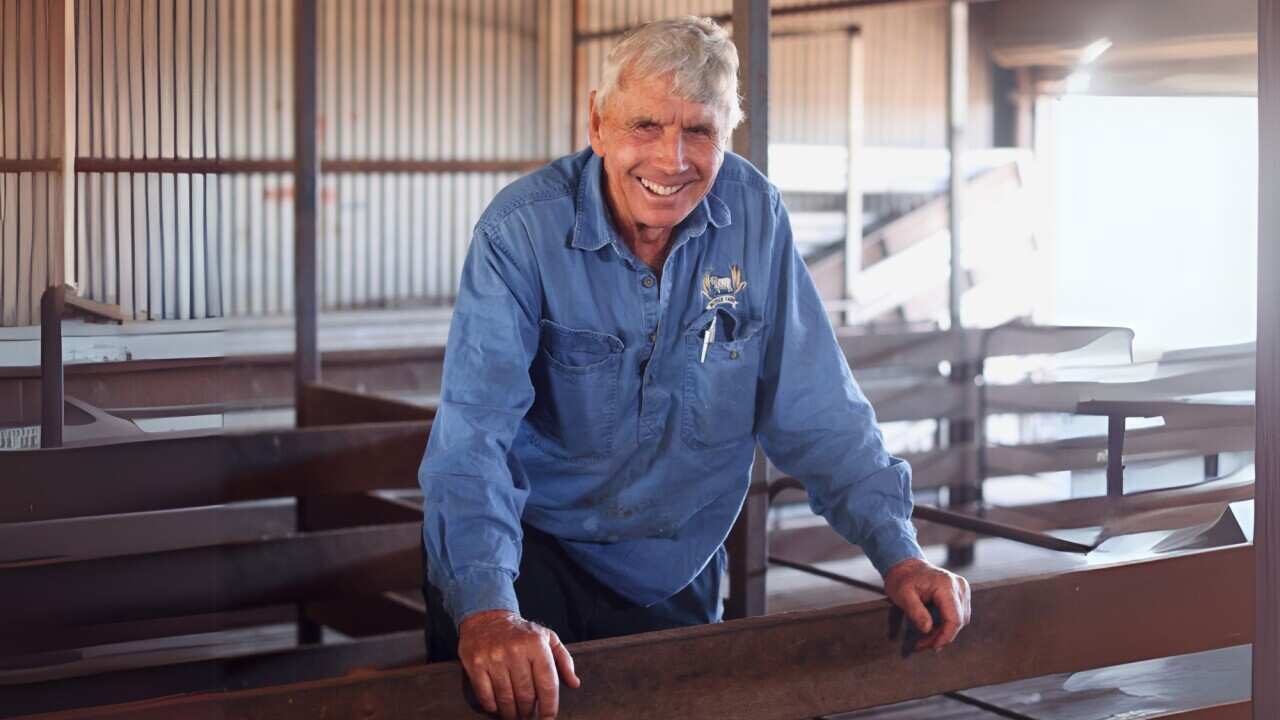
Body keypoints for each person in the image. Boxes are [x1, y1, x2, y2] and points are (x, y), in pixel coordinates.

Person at [418, 16, 971, 720]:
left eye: (699, 132)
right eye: (644, 125)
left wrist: (899, 552)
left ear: (727, 134)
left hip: (670, 567)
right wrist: (489, 612)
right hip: (528, 557)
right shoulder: (520, 233)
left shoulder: (754, 217)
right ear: (596, 122)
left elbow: (818, 408)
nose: (672, 159)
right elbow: (474, 439)